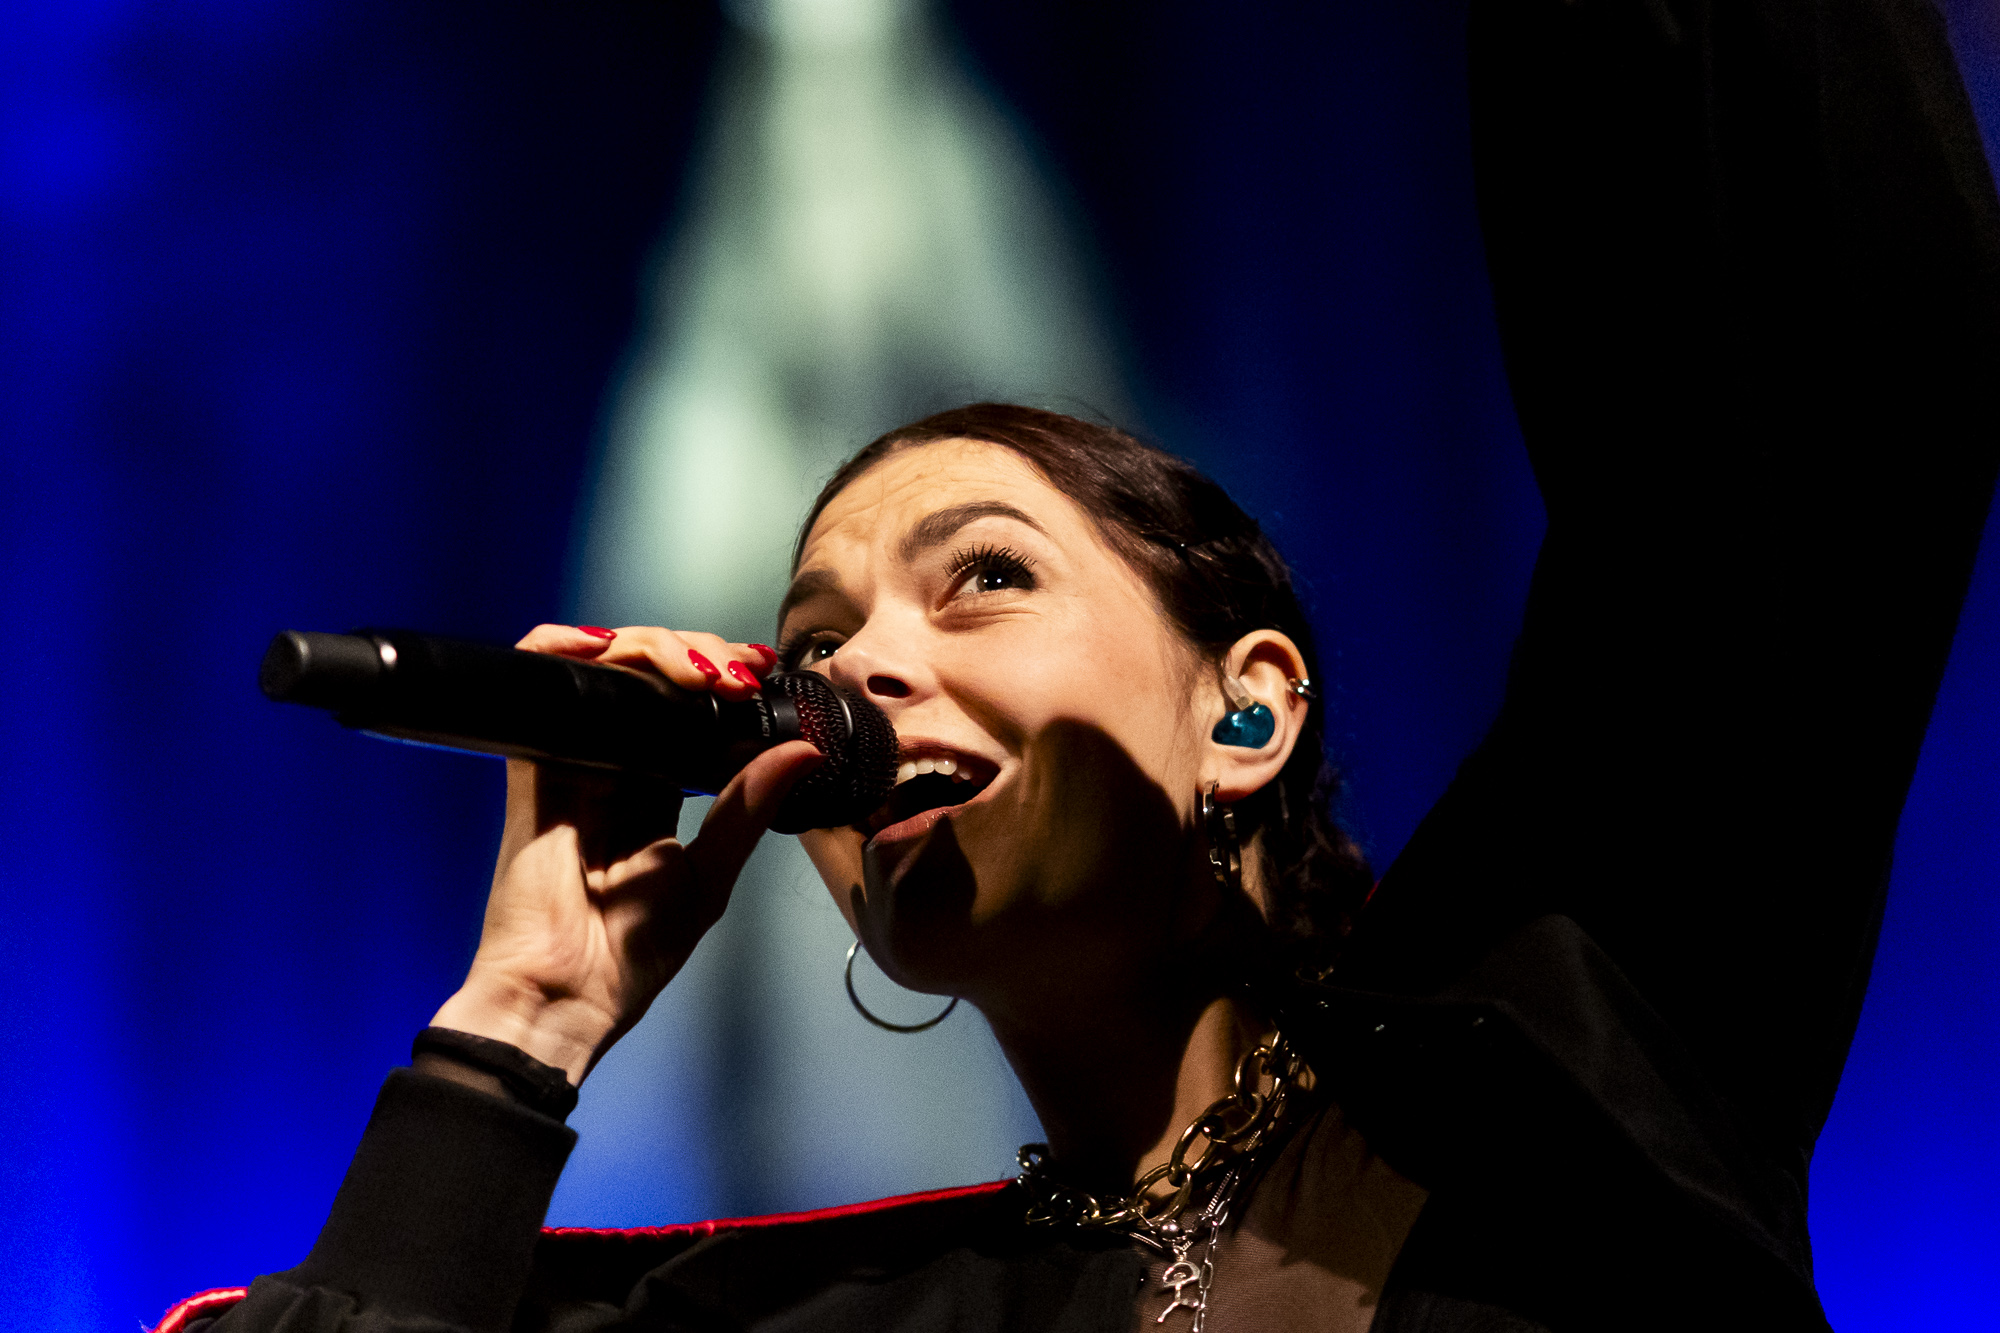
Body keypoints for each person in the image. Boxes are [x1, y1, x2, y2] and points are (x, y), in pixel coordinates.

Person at [160, 0, 2000, 1329]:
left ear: (1247, 706)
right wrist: (525, 1018)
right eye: (815, 638)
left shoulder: (1559, 1055)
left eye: (980, 578)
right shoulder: (813, 1311)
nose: (864, 667)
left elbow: (1817, 364)